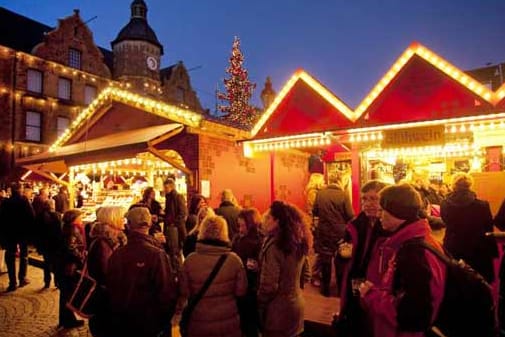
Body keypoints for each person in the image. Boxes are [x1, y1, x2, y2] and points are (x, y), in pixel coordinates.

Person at [359, 183, 446, 337]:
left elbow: (412, 315)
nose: (379, 215)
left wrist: (371, 295)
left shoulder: (413, 253)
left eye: (382, 210)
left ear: (396, 212)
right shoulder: (419, 241)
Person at [107, 207, 178, 337]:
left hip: (123, 323)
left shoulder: (117, 254)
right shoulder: (157, 254)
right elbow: (167, 292)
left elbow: (111, 288)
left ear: (128, 225)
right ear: (149, 224)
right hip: (151, 324)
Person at [179, 215, 247, 337]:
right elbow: (241, 291)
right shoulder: (234, 260)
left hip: (199, 323)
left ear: (202, 231)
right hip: (228, 323)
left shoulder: (190, 261)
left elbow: (184, 291)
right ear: (224, 232)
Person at [337, 180, 388, 337]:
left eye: (373, 199)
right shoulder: (355, 224)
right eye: (364, 199)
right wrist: (340, 253)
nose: (368, 203)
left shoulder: (389, 227)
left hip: (379, 287)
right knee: (356, 319)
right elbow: (343, 255)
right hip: (356, 280)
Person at [258, 201, 313, 337]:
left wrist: (260, 302)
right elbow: (306, 274)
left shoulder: (274, 246)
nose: (265, 221)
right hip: (296, 305)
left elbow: (269, 285)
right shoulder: (299, 241)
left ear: (277, 221)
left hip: (277, 310)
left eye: (269, 217)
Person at [441, 172, 498, 283]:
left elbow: (446, 222)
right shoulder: (482, 205)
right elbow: (488, 228)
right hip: (478, 248)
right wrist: (493, 252)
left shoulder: (444, 204)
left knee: (456, 282)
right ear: (470, 185)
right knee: (479, 283)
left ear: (453, 186)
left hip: (454, 246)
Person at [87, 206, 127, 337]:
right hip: (105, 299)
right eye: (122, 217)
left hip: (111, 296)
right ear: (113, 219)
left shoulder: (116, 240)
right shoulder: (102, 243)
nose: (124, 220)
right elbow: (105, 272)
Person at [312, 172, 354, 296]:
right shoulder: (343, 195)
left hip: (324, 231)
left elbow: (315, 211)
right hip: (340, 232)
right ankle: (341, 289)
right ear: (340, 180)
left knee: (325, 260)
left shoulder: (320, 194)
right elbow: (350, 215)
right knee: (340, 261)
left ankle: (325, 290)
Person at [232, 208, 264, 337]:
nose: (240, 229)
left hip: (251, 288)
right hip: (242, 287)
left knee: (249, 325)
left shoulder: (259, 241)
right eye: (239, 225)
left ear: (251, 225)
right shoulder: (238, 239)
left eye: (243, 226)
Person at [0, 182, 35, 292]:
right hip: (22, 233)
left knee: (10, 257)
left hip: (10, 233)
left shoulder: (6, 202)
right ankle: (22, 278)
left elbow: (2, 217)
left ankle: (12, 282)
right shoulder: (24, 200)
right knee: (23, 255)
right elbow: (31, 216)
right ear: (20, 189)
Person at [58, 209, 86, 329]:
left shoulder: (68, 227)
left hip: (66, 264)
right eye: (80, 217)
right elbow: (71, 247)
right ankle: (68, 320)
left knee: (66, 293)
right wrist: (81, 258)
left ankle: (65, 318)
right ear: (74, 218)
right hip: (70, 266)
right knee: (68, 292)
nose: (82, 219)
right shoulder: (73, 229)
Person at [35, 199, 62, 289]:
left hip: (44, 244)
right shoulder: (57, 215)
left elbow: (37, 232)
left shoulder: (39, 216)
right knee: (56, 264)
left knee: (46, 263)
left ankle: (47, 282)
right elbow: (60, 231)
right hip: (55, 244)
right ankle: (57, 282)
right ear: (52, 206)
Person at [163, 178, 188, 269]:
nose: (164, 189)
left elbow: (183, 213)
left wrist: (173, 223)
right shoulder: (169, 198)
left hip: (175, 228)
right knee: (173, 251)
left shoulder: (177, 197)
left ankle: (178, 271)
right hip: (171, 227)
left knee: (175, 251)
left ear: (171, 186)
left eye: (166, 187)